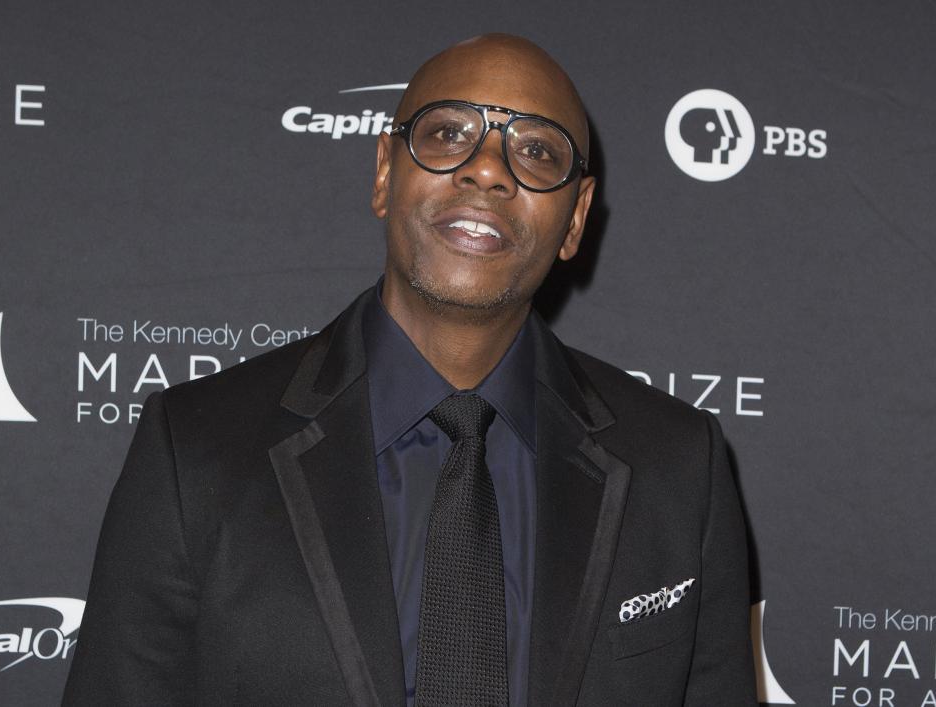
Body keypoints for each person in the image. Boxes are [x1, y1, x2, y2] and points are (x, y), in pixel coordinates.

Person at [63, 33, 757, 707]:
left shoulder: (678, 465)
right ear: (384, 173)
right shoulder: (195, 448)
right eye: (450, 133)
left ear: (575, 218)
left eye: (537, 150)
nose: (488, 169)